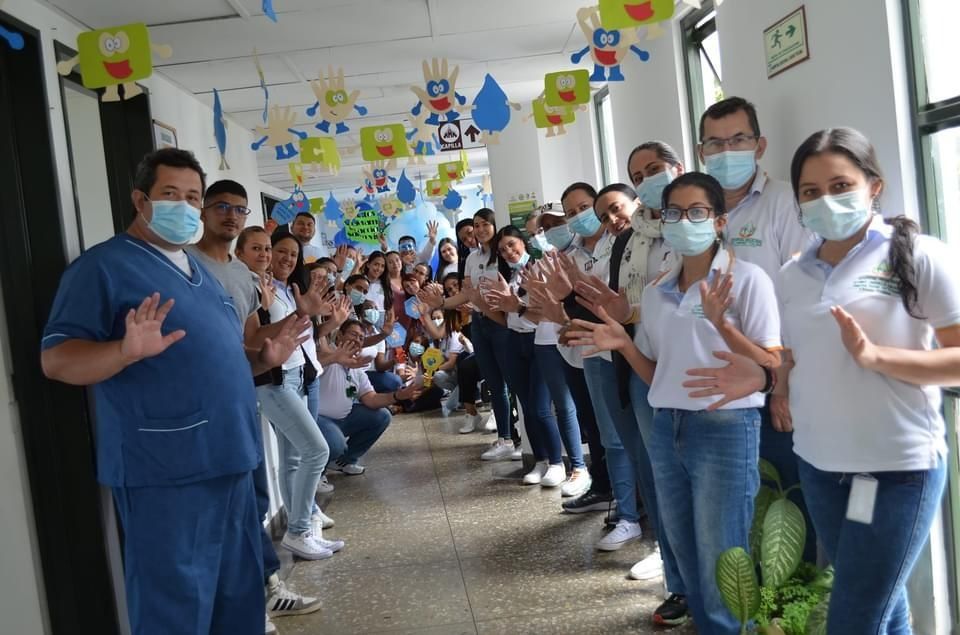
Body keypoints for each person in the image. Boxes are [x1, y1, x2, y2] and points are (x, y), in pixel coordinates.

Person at [40, 148, 309, 635]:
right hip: (165, 467)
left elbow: (221, 355)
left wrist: (261, 360)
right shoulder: (103, 268)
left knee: (238, 594)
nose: (184, 207)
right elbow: (56, 360)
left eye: (192, 197)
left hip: (229, 455)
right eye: (170, 195)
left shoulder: (199, 269)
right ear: (140, 200)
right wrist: (124, 350)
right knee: (175, 602)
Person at [567, 171, 782, 634]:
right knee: (682, 547)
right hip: (667, 428)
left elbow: (772, 362)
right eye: (674, 213)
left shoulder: (747, 280)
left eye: (697, 212)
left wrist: (726, 327)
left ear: (719, 221)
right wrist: (623, 345)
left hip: (725, 428)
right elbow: (655, 373)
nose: (685, 221)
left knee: (722, 553)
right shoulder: (659, 290)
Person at [774, 128, 959, 633]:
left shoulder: (918, 255)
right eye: (810, 192)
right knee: (883, 603)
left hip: (895, 467)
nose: (825, 200)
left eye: (840, 185)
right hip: (819, 463)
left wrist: (877, 357)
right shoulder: (793, 274)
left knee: (855, 616)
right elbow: (796, 355)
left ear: (873, 185)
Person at [190, 183, 321, 630]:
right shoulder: (186, 267)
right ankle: (245, 600)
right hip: (198, 408)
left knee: (255, 498)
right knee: (222, 507)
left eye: (239, 209)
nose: (229, 214)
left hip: (240, 399)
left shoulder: (242, 279)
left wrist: (281, 335)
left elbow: (249, 342)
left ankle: (264, 588)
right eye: (221, 207)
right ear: (205, 211)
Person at [699, 96, 816, 559]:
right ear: (701, 150)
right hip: (710, 382)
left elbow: (800, 296)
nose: (727, 150)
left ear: (760, 144)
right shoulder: (695, 211)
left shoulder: (784, 202)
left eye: (739, 139)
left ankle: (787, 618)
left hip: (769, 380)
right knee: (732, 506)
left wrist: (782, 385)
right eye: (715, 142)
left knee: (783, 504)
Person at [573, 145, 687, 619]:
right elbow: (622, 304)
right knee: (660, 470)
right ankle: (676, 574)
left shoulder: (691, 229)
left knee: (696, 473)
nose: (647, 180)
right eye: (638, 174)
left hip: (695, 365)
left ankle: (709, 583)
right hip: (641, 362)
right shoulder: (628, 242)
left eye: (654, 171)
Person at [258, 231, 344, 560]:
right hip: (273, 379)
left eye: (292, 254)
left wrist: (315, 315)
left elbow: (299, 334)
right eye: (273, 250)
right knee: (317, 450)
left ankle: (304, 525)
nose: (284, 258)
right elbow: (259, 335)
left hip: (296, 372)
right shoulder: (258, 288)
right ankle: (299, 529)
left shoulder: (285, 288)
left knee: (295, 457)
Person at [420, 209, 521, 461]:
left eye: (486, 224)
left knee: (514, 382)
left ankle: (522, 438)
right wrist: (441, 302)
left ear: (495, 225)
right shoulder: (473, 257)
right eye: (476, 225)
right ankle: (505, 438)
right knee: (494, 383)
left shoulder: (504, 254)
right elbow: (466, 294)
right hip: (479, 323)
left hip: (504, 322)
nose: (480, 229)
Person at [483, 226, 567, 488]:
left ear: (523, 242)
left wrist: (517, 306)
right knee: (527, 405)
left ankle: (557, 462)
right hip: (514, 341)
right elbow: (508, 316)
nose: (508, 252)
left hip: (539, 341)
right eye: (503, 249)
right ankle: (540, 460)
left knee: (542, 407)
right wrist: (484, 304)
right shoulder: (510, 275)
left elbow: (543, 310)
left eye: (511, 244)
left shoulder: (541, 267)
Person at [318, 320, 422, 474]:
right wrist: (334, 357)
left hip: (344, 418)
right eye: (353, 334)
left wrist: (398, 395)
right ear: (339, 335)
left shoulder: (356, 367)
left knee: (382, 416)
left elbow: (371, 399)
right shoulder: (327, 355)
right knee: (336, 444)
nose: (357, 340)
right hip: (320, 420)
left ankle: (344, 461)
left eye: (361, 338)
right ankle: (319, 474)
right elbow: (313, 362)